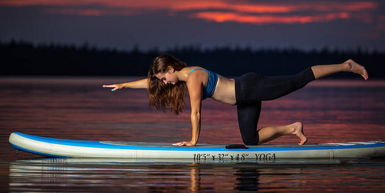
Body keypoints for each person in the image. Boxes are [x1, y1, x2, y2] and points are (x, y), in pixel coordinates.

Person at [103, 54, 368, 146]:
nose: (163, 83)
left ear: (170, 69)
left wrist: (194, 141)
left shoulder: (193, 79)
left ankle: (346, 66)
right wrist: (125, 85)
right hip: (244, 98)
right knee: (250, 140)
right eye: (160, 80)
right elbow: (151, 82)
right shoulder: (184, 76)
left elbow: (196, 114)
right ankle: (293, 129)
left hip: (249, 87)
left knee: (298, 80)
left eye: (163, 77)